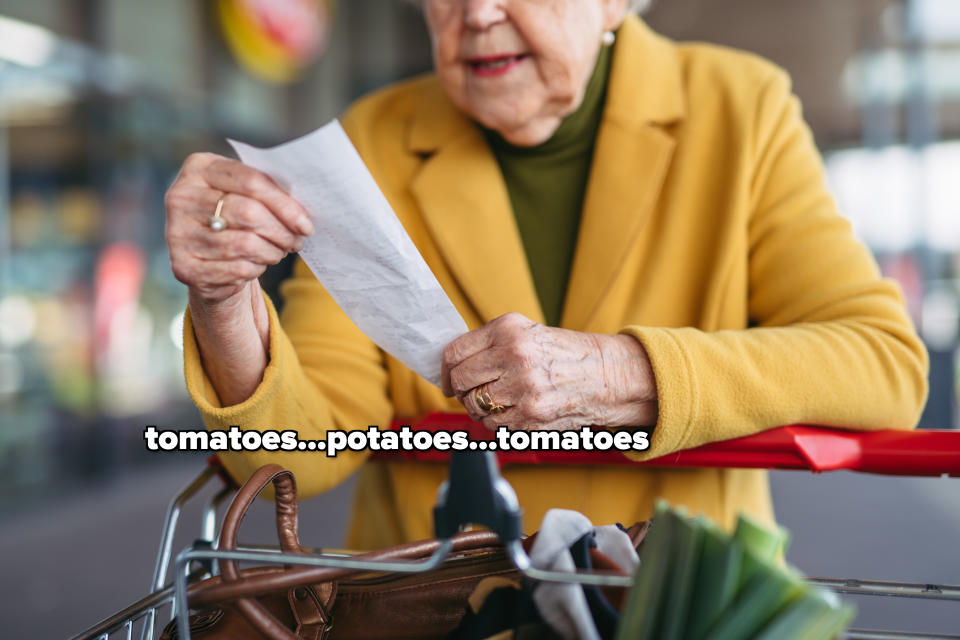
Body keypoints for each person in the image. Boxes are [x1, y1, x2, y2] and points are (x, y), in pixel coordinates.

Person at [164, 0, 929, 550]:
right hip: (431, 605)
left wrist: (626, 374)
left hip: (664, 605)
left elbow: (883, 367)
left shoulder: (742, 106)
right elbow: (296, 452)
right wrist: (224, 298)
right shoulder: (375, 140)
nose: (479, 12)